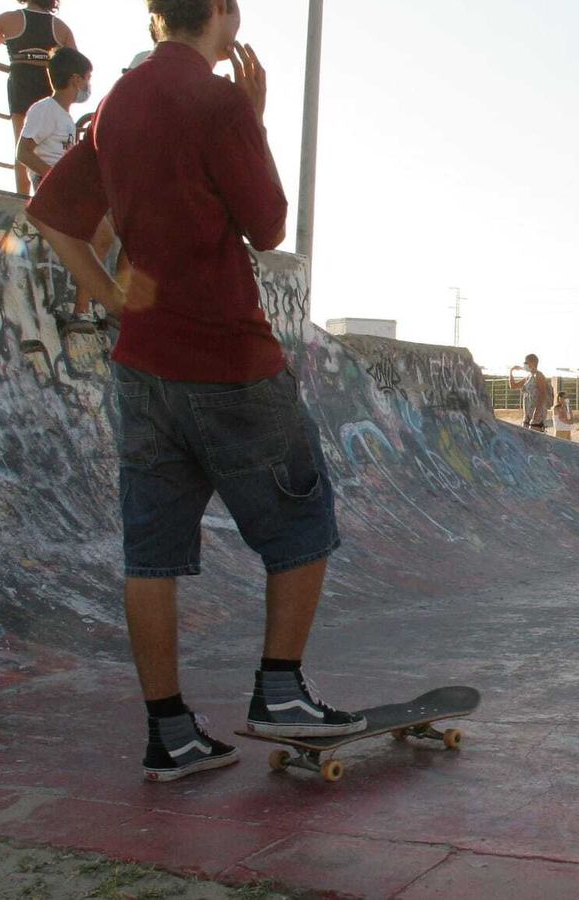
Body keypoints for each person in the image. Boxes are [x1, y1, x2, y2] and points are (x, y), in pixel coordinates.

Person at [25, 0, 367, 782]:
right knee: (302, 520)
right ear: (217, 12)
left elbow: (49, 213)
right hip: (229, 360)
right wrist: (254, 120)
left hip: (142, 365)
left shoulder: (117, 101)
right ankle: (279, 692)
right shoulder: (218, 100)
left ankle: (169, 733)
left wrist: (111, 296)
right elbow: (269, 223)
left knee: (152, 555)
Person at [16, 46, 109, 334]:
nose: (88, 85)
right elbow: (23, 152)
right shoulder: (45, 110)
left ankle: (88, 306)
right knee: (103, 235)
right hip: (53, 186)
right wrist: (56, 178)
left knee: (108, 231)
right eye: (87, 78)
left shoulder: (65, 117)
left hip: (67, 186)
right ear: (75, 79)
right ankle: (83, 309)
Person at [0, 0, 79, 196]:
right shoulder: (61, 28)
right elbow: (76, 63)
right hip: (49, 82)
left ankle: (22, 198)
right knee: (51, 145)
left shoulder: (9, 19)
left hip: (21, 80)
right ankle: (50, 193)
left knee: (21, 144)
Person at [509, 354, 549, 431]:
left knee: (534, 436)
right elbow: (513, 386)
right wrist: (511, 371)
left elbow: (543, 394)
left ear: (533, 363)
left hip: (537, 412)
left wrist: (536, 413)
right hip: (527, 412)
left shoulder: (538, 375)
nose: (524, 365)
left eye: (526, 362)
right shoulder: (528, 376)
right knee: (525, 434)